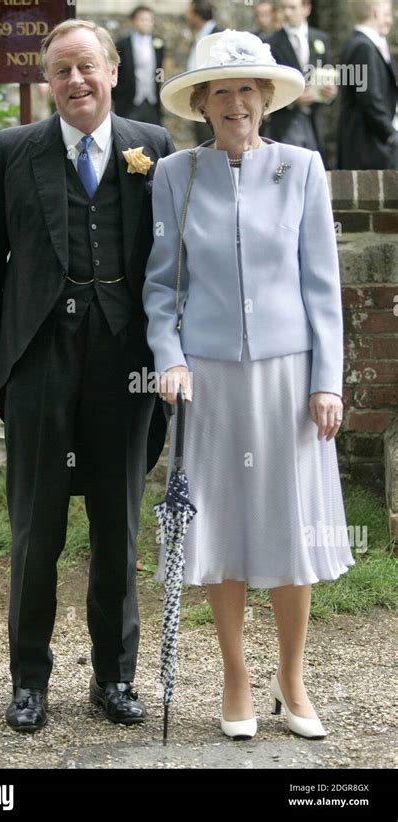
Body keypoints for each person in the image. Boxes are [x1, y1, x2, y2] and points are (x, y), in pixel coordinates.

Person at [142, 29, 355, 741]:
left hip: (290, 379)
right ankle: (235, 674)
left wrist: (327, 379)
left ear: (265, 99)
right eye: (221, 92)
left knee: (290, 526)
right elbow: (161, 285)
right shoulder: (176, 175)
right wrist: (167, 355)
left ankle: (291, 676)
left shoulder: (301, 168)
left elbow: (322, 286)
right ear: (202, 104)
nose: (236, 103)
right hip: (207, 381)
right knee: (217, 527)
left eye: (247, 90)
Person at [0, 19, 175, 732]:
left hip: (128, 360)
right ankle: (29, 681)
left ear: (113, 71)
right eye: (61, 71)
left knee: (118, 525)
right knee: (36, 528)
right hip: (39, 358)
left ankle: (114, 679)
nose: (75, 82)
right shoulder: (12, 149)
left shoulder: (155, 146)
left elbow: (177, 259)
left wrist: (178, 356)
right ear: (47, 81)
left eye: (87, 67)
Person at [264, 0, 337, 161]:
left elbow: (327, 72)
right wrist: (293, 99)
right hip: (286, 122)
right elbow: (268, 86)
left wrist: (330, 92)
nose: (287, 12)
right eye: (283, 8)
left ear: (306, 8)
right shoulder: (271, 42)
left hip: (316, 120)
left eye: (292, 7)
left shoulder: (321, 38)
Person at [338, 0, 397, 170]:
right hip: (368, 145)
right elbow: (369, 96)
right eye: (387, 14)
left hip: (359, 142)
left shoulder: (352, 44)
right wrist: (389, 134)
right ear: (376, 13)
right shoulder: (363, 47)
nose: (389, 20)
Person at [112, 5, 165, 125]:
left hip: (152, 100)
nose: (146, 23)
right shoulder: (122, 44)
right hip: (129, 101)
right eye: (142, 19)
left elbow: (160, 70)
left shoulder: (158, 43)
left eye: (149, 20)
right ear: (133, 21)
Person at [185, 0, 224, 145]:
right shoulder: (200, 36)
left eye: (189, 12)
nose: (186, 16)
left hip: (212, 100)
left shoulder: (218, 36)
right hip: (201, 101)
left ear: (196, 14)